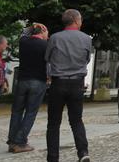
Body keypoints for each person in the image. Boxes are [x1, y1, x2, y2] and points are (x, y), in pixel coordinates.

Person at [45, 9, 91, 162]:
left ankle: (53, 157)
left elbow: (48, 58)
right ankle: (83, 152)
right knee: (77, 120)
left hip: (58, 82)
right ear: (77, 21)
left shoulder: (55, 38)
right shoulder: (86, 38)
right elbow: (86, 59)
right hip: (77, 83)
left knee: (53, 123)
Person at [7, 23, 49, 153]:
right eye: (47, 32)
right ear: (43, 31)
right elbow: (50, 63)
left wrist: (33, 25)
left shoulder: (24, 42)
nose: (48, 35)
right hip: (38, 81)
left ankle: (12, 140)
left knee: (17, 111)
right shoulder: (46, 46)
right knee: (30, 112)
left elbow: (24, 32)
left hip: (23, 80)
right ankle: (20, 142)